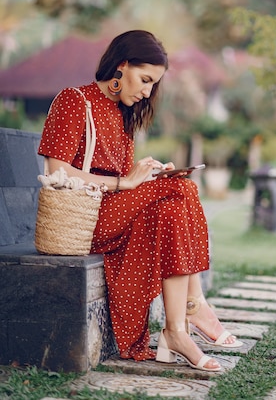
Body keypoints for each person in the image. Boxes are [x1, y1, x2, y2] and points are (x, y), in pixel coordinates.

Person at [38, 30, 241, 372]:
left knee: (174, 200)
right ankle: (196, 305)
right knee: (184, 191)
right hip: (85, 220)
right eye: (145, 80)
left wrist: (149, 175)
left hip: (116, 211)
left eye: (153, 85)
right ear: (122, 66)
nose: (147, 92)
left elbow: (127, 182)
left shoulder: (124, 116)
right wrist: (123, 181)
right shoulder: (74, 101)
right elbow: (57, 171)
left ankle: (176, 330)